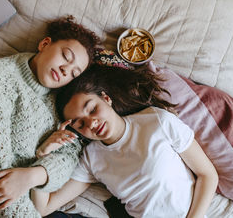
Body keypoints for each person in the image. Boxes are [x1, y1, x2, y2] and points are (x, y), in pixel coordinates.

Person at [0, 16, 101, 218]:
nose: (66, 70)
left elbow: (69, 156)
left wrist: (34, 175)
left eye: (74, 74)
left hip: (24, 197)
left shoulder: (60, 102)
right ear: (45, 44)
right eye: (66, 56)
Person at [31, 64, 219, 218]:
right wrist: (44, 154)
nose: (92, 123)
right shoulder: (91, 158)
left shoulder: (157, 122)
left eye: (92, 109)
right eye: (80, 124)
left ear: (106, 98)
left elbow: (207, 174)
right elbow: (43, 208)